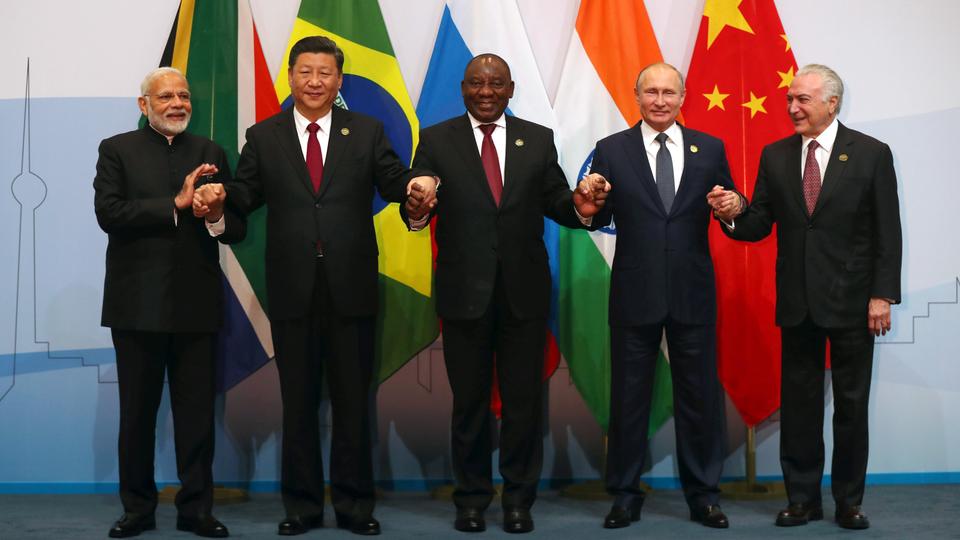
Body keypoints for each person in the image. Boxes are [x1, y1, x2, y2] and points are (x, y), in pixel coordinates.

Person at [223, 36, 436, 537]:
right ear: (291, 77)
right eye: (305, 72)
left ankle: (355, 506)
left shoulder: (366, 130)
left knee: (353, 404)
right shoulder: (264, 134)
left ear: (339, 80)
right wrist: (216, 200)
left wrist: (416, 195)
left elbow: (394, 184)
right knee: (296, 403)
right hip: (292, 289)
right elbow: (245, 195)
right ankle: (300, 507)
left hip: (352, 287)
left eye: (325, 73)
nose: (315, 81)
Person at [400, 53, 609, 534]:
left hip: (524, 293)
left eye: (496, 84)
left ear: (511, 90)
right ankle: (471, 501)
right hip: (463, 294)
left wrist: (581, 206)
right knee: (469, 404)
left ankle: (519, 501)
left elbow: (557, 201)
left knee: (523, 404)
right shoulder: (435, 140)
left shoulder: (536, 139)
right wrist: (416, 206)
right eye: (477, 83)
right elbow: (418, 206)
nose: (486, 91)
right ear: (463, 88)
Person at [710, 64, 902, 530]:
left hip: (856, 302)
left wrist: (882, 295)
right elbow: (758, 224)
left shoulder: (871, 153)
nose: (793, 108)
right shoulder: (775, 156)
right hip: (797, 301)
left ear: (831, 103)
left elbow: (887, 231)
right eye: (790, 99)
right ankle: (802, 499)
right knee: (798, 407)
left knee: (852, 407)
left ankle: (849, 501)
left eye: (803, 100)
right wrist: (732, 212)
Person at [94, 67, 243, 539]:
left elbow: (235, 228)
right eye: (166, 97)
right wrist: (176, 204)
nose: (177, 103)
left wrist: (216, 212)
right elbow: (109, 213)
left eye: (184, 95)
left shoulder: (210, 152)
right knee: (137, 416)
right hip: (136, 307)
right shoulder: (117, 149)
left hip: (196, 306)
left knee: (197, 417)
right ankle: (137, 509)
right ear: (144, 106)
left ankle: (196, 510)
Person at [588, 62, 735, 530]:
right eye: (650, 91)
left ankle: (704, 495)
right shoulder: (611, 149)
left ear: (683, 96)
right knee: (629, 399)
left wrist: (735, 207)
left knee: (700, 398)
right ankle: (625, 496)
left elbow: (728, 205)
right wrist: (589, 202)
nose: (659, 100)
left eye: (668, 92)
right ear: (636, 96)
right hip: (635, 291)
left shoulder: (710, 148)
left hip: (692, 291)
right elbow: (596, 212)